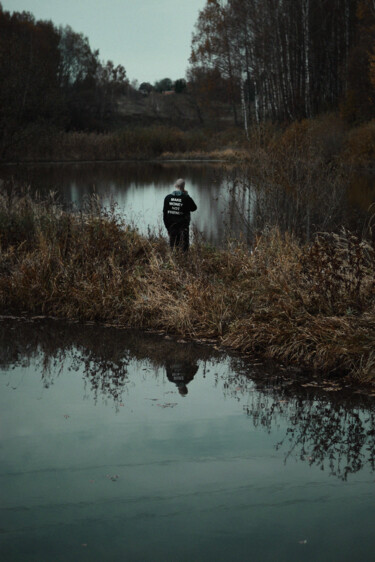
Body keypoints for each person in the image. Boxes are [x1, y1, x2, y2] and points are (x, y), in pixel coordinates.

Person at [163, 179, 197, 251]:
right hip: (183, 228)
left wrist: (167, 228)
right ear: (184, 187)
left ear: (175, 185)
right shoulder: (186, 198)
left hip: (172, 228)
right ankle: (183, 261)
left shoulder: (167, 198)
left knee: (173, 249)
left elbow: (164, 215)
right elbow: (194, 208)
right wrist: (186, 195)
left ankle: (173, 261)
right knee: (184, 249)